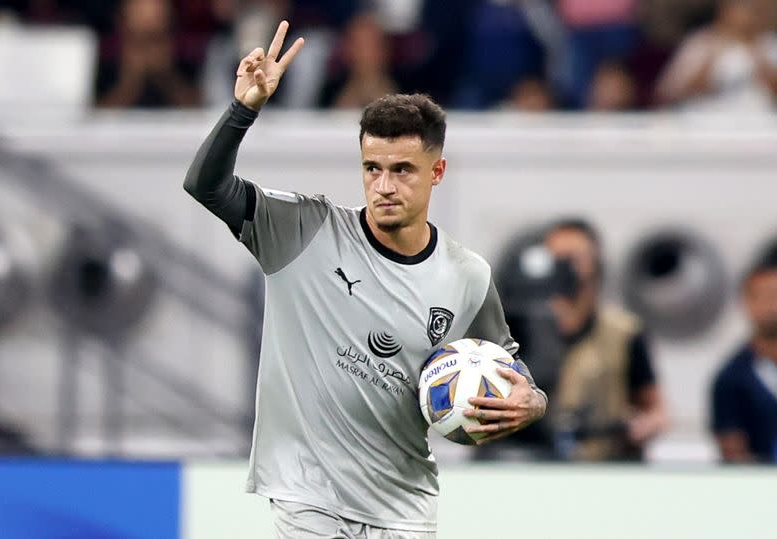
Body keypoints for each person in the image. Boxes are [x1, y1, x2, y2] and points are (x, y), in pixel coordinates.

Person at [183, 20, 547, 537]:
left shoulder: (467, 275)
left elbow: (510, 369)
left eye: (402, 169)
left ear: (437, 172)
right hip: (307, 497)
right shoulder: (303, 229)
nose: (384, 185)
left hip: (405, 507)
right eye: (372, 168)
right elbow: (205, 185)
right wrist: (245, 109)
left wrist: (532, 400)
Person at [543, 219, 667, 461]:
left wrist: (640, 427)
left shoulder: (623, 333)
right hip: (537, 466)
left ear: (594, 263)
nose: (566, 269)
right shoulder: (519, 330)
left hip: (607, 464)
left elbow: (657, 411)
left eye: (574, 258)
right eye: (557, 259)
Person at [711, 245, 777, 463]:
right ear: (747, 302)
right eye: (765, 296)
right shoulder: (732, 378)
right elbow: (733, 452)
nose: (772, 305)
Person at [655, 0, 777, 112]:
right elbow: (670, 94)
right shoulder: (701, 42)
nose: (746, 17)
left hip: (759, 124)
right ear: (724, 12)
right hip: (707, 122)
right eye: (740, 9)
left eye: (753, 11)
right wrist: (711, 58)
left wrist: (756, 54)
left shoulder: (769, 43)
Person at [95, 0, 200, 108]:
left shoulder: (186, 53)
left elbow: (204, 113)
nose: (148, 19)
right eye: (140, 10)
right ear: (122, 19)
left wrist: (167, 78)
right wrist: (130, 83)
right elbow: (93, 116)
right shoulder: (107, 55)